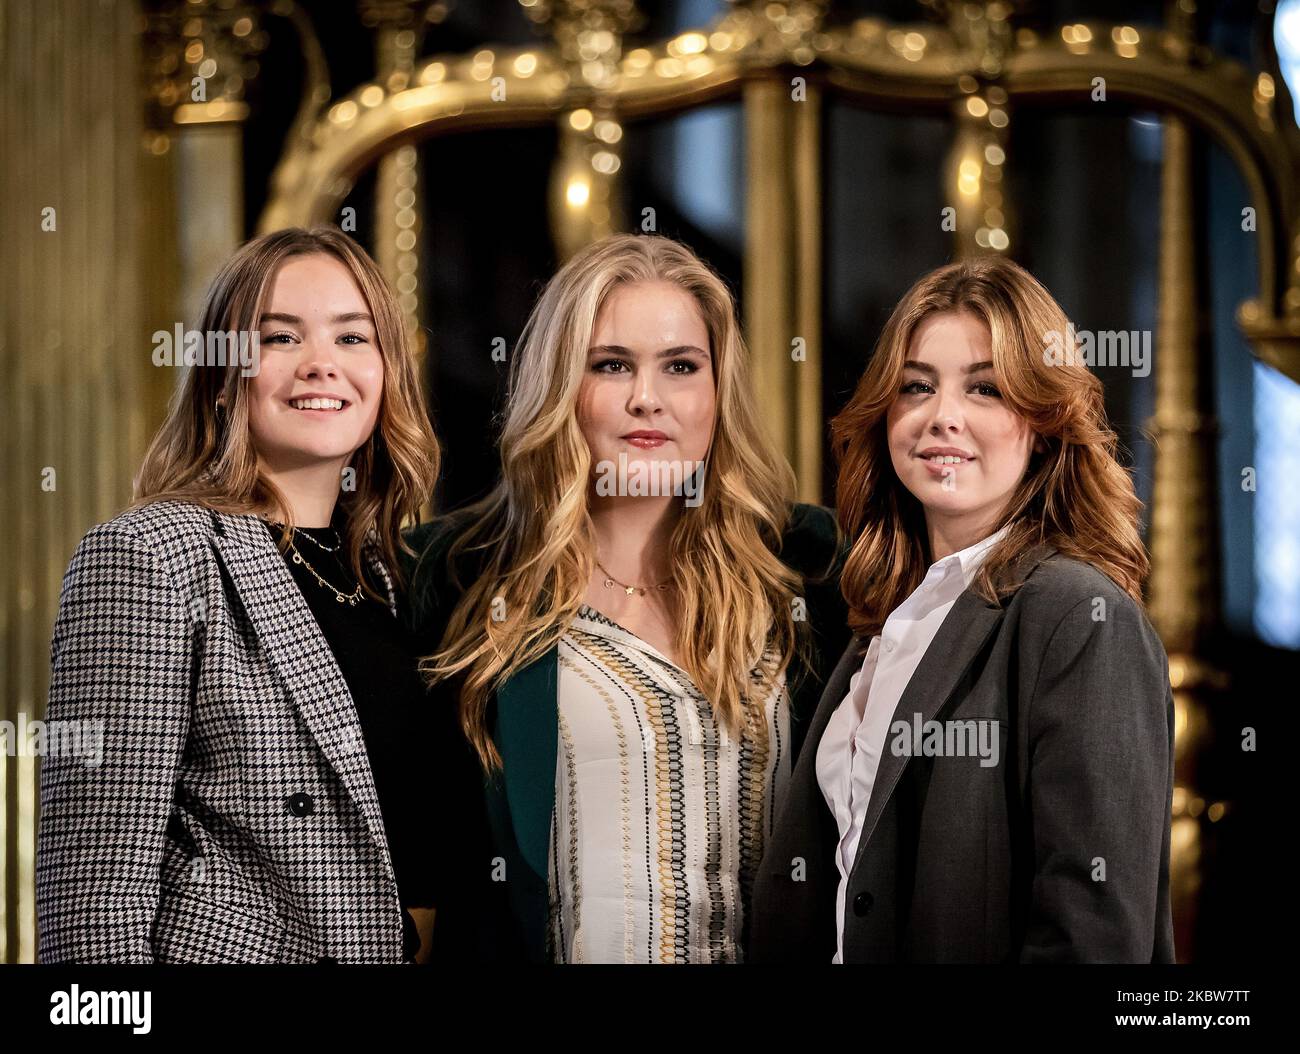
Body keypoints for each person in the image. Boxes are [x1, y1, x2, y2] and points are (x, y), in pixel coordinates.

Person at [405, 233, 849, 963]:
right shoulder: (454, 579)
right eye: (612, 366)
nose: (648, 399)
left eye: (681, 366)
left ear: (716, 391)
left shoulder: (805, 570)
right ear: (560, 386)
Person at [749, 255, 1175, 963]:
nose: (942, 417)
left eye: (984, 388)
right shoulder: (883, 621)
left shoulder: (1080, 620)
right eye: (916, 387)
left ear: (1043, 420)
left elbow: (1091, 938)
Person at [36, 226, 442, 963]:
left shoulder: (394, 579)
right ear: (224, 373)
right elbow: (91, 901)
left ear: (388, 373)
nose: (322, 365)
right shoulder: (150, 556)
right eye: (280, 338)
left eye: (353, 339)